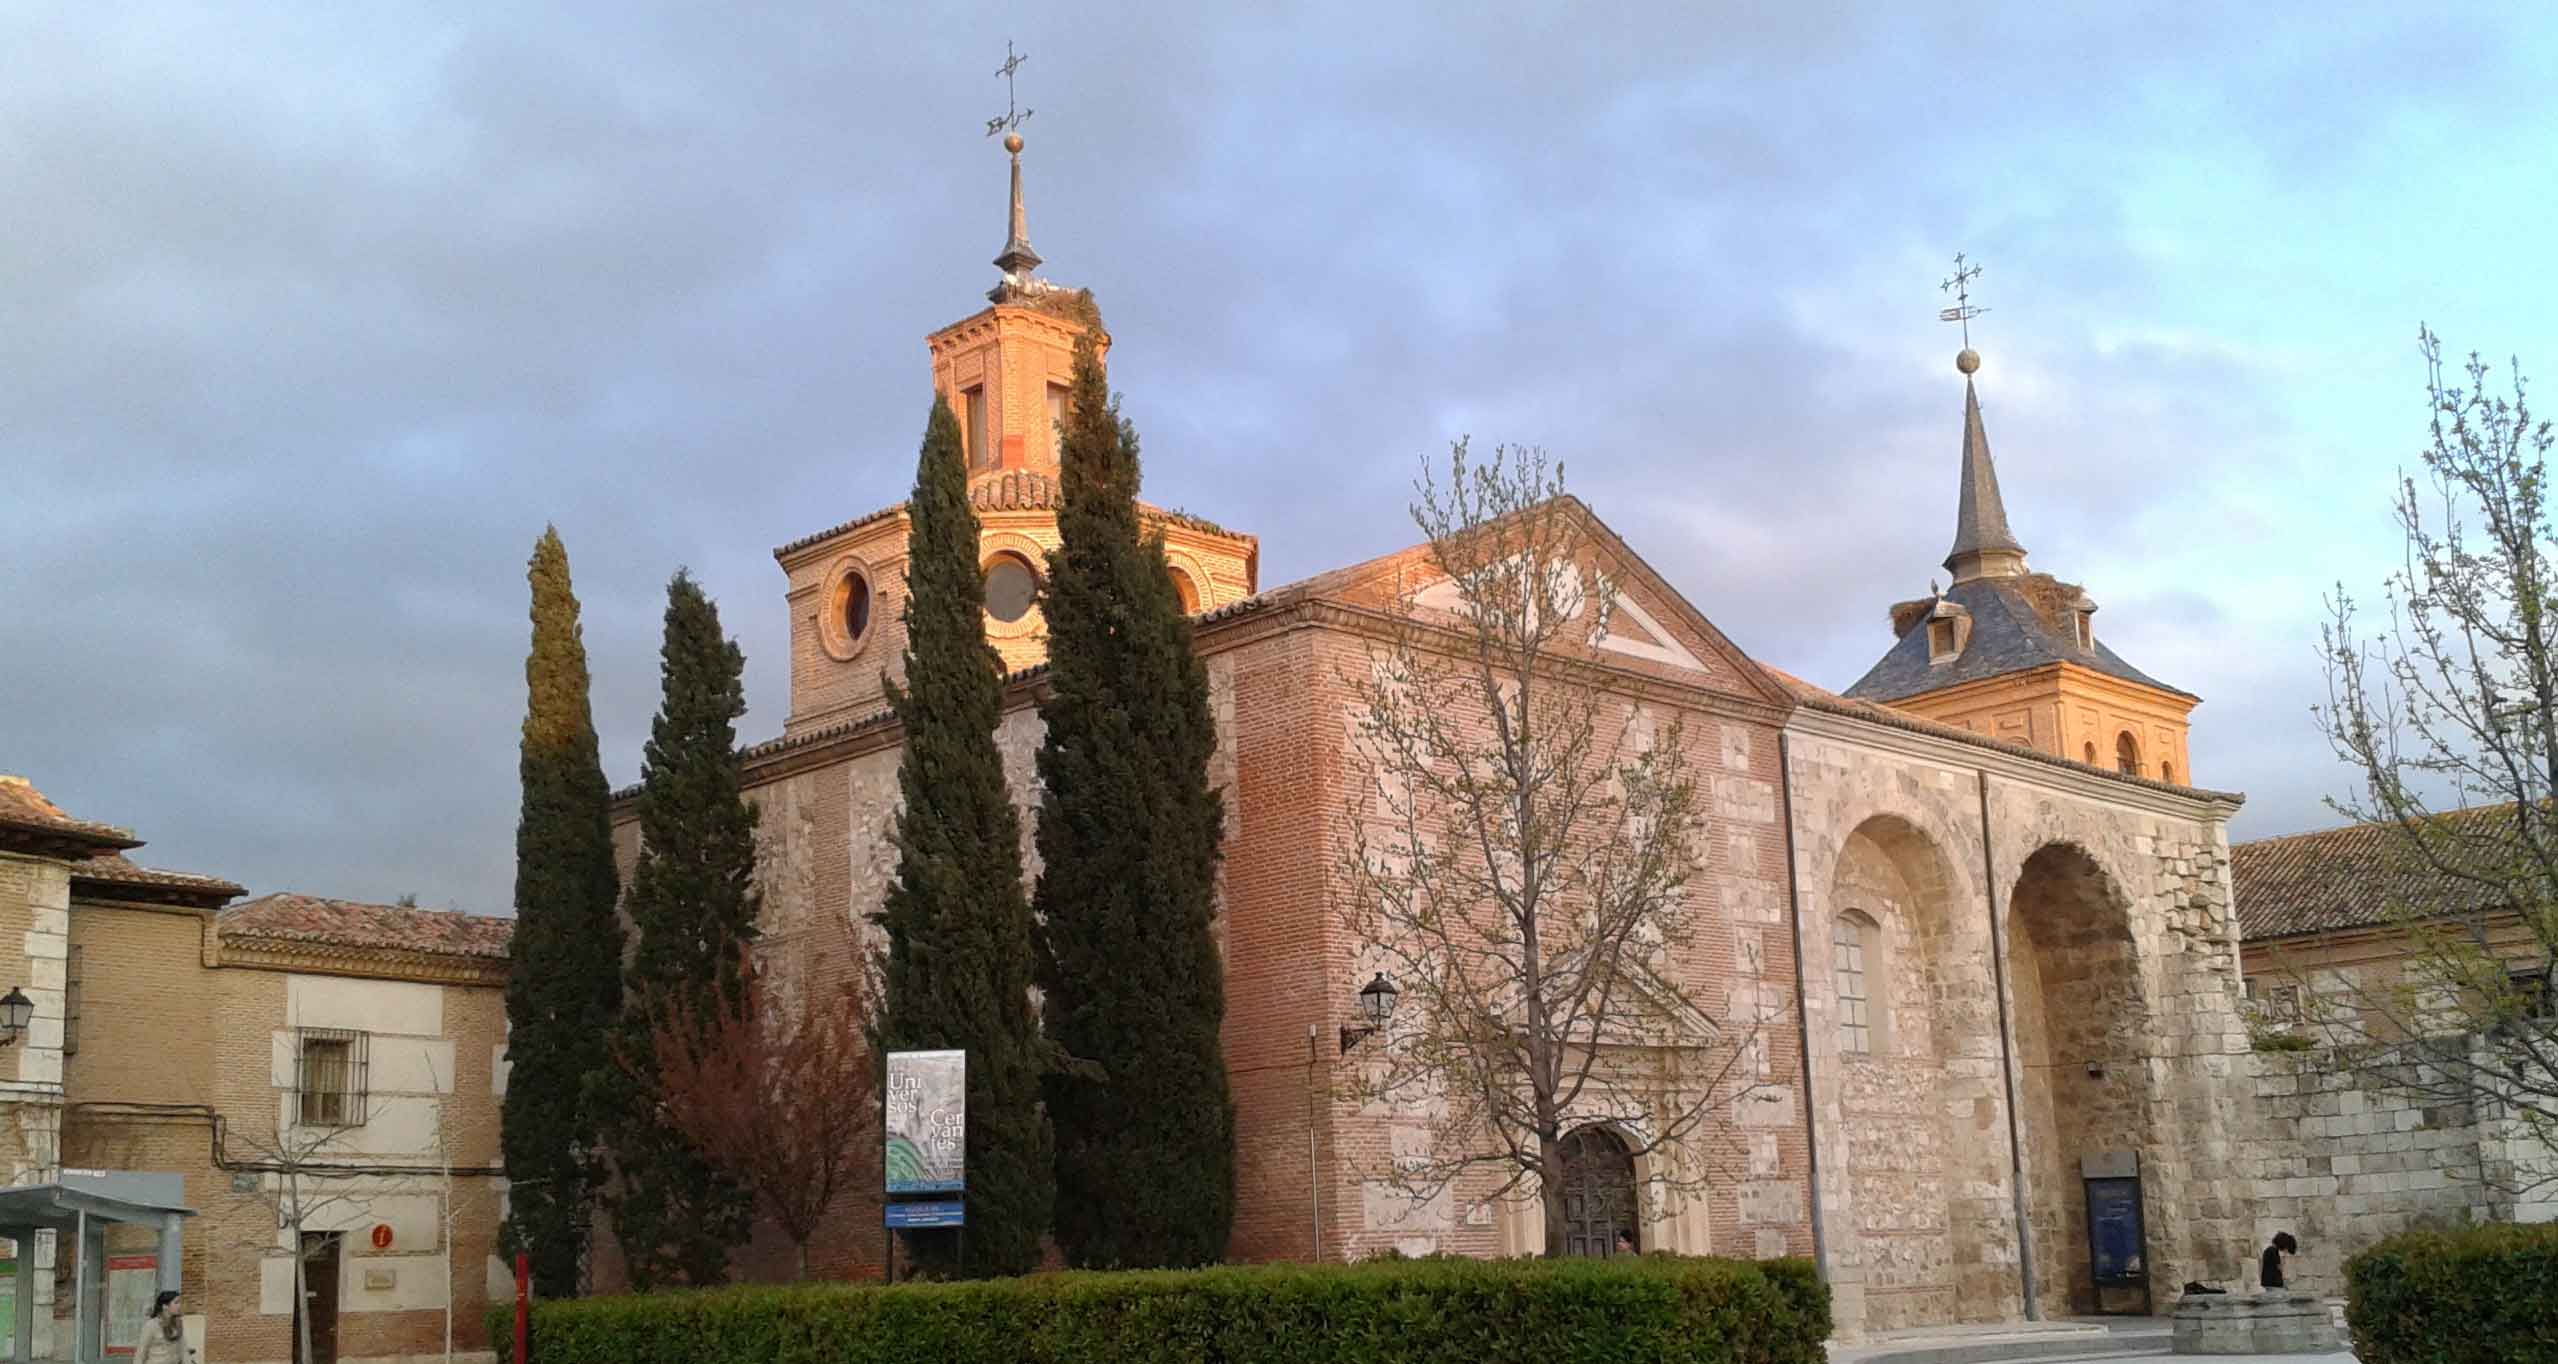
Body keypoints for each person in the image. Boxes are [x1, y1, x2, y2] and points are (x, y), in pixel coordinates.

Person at [135, 1289, 189, 1364]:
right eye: (176, 1302)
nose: (179, 1305)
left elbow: (183, 1350)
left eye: (179, 1302)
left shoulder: (178, 1325)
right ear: (165, 1306)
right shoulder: (151, 1325)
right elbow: (140, 1354)